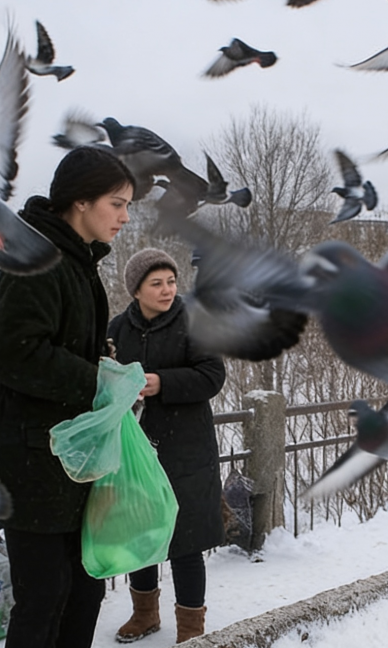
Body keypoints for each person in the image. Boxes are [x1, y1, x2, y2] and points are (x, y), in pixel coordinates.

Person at [0, 146, 134, 648]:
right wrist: (97, 382)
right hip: (31, 461)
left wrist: (105, 369)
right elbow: (10, 351)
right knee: (45, 597)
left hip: (64, 458)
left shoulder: (77, 261)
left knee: (83, 590)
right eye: (117, 204)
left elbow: (62, 344)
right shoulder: (38, 258)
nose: (125, 217)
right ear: (81, 201)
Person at [107, 248, 227, 645]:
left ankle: (191, 629)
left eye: (171, 282)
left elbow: (213, 375)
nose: (167, 290)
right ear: (136, 290)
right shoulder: (117, 329)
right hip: (136, 448)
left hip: (187, 449)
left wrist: (162, 383)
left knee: (185, 540)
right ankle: (144, 614)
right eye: (156, 283)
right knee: (141, 532)